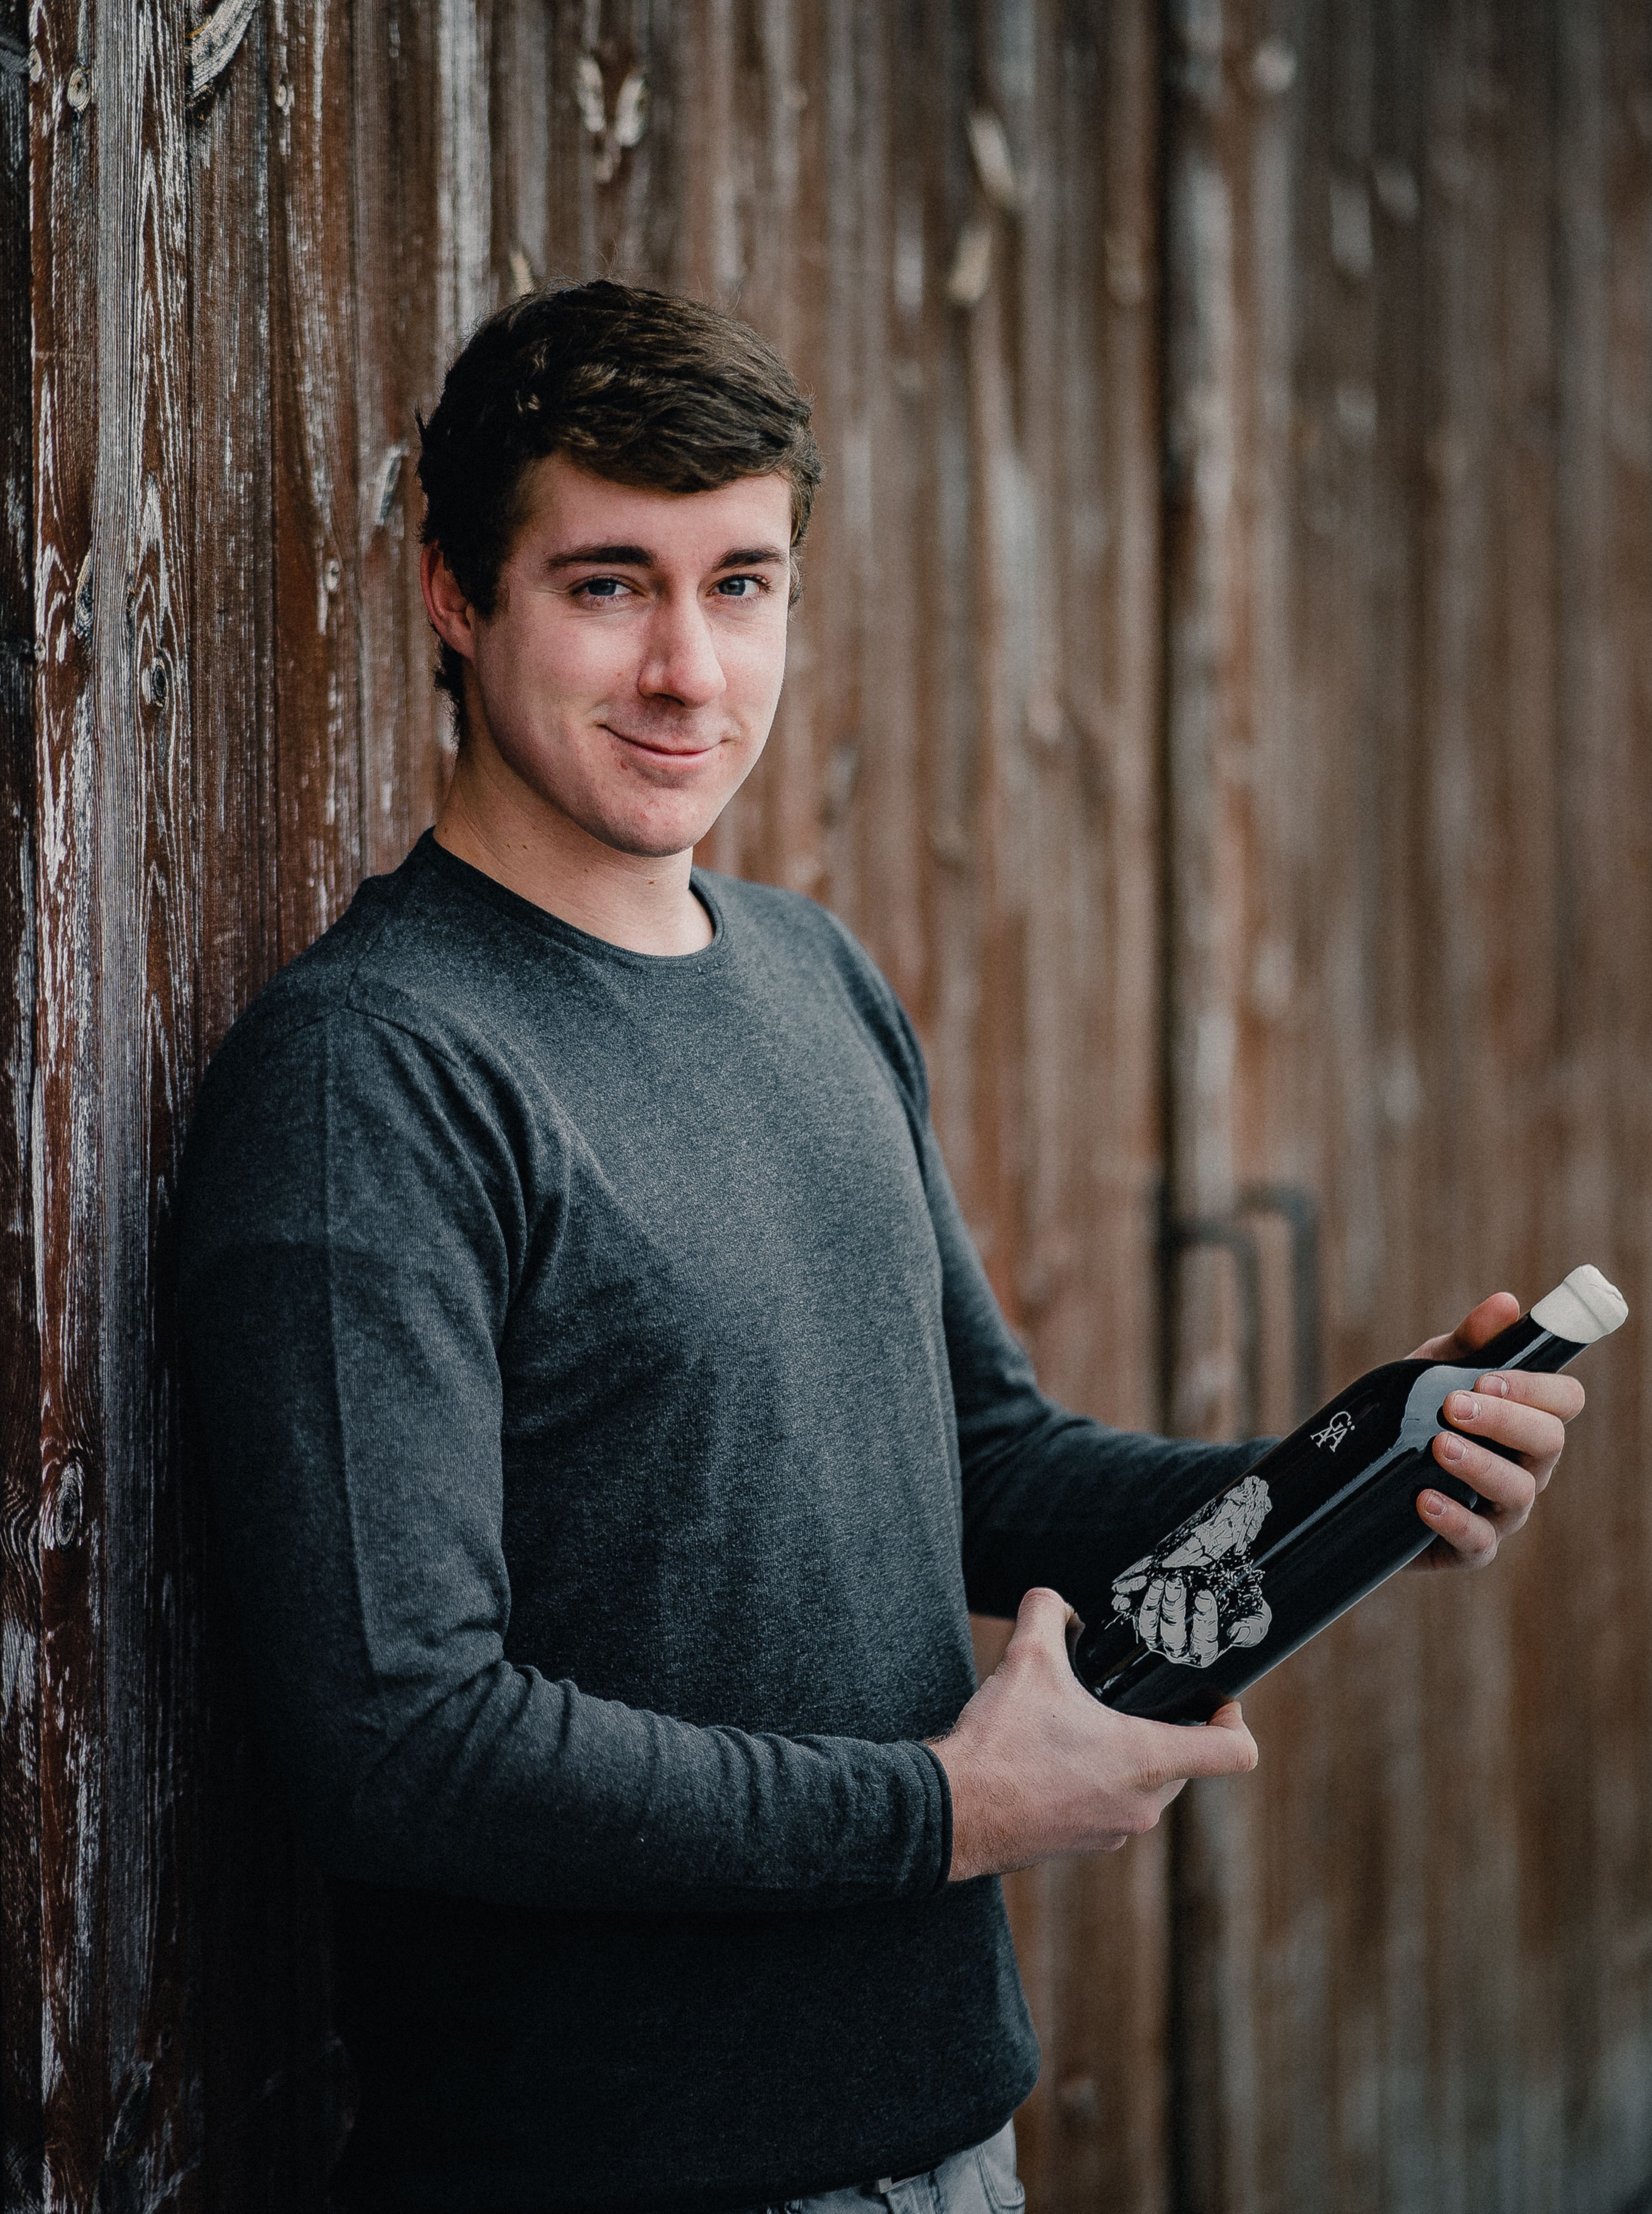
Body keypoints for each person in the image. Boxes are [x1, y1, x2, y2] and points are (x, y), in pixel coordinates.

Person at [175, 281, 1582, 2214]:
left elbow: (987, 1465)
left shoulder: (810, 974)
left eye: (741, 584)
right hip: (613, 2174)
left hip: (947, 2140)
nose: (689, 669)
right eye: (609, 584)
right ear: (454, 594)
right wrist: (947, 1808)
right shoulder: (376, 1070)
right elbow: (406, 1744)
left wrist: (1358, 1474)